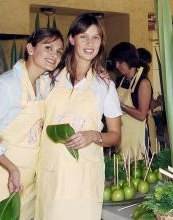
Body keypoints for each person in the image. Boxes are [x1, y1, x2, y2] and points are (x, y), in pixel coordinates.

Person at [35, 13, 122, 220]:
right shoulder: (49, 79)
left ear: (101, 43)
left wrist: (94, 135)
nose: (90, 43)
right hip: (51, 173)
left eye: (96, 37)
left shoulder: (105, 86)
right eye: (83, 36)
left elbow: (116, 136)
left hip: (83, 177)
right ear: (72, 39)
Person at [0, 28, 63, 220]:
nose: (54, 55)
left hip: (29, 181)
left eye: (58, 51)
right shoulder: (6, 85)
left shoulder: (43, 85)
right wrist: (11, 168)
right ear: (30, 49)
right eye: (48, 47)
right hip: (3, 176)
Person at [109, 42, 152, 160]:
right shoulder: (120, 81)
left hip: (137, 137)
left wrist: (121, 105)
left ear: (130, 60)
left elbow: (142, 115)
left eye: (120, 62)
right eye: (115, 62)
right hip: (122, 136)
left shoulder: (143, 83)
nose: (117, 66)